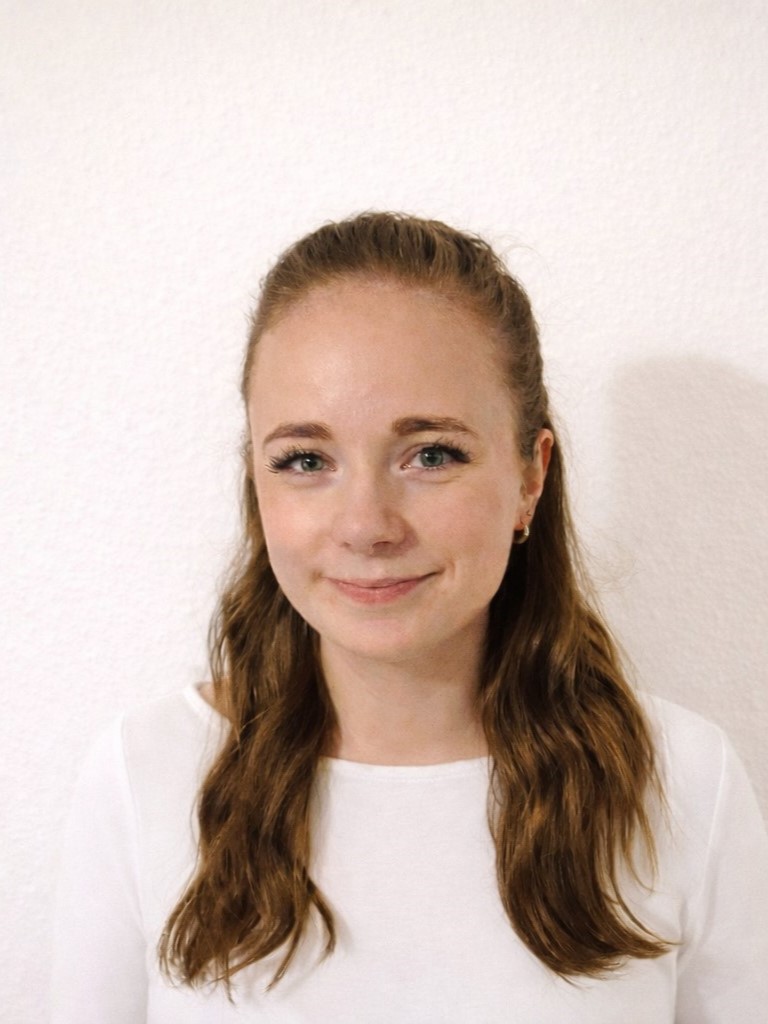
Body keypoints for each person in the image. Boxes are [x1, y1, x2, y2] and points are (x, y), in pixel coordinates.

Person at [51, 213, 768, 1023]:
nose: (367, 525)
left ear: (530, 477)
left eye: (432, 454)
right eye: (305, 460)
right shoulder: (144, 777)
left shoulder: (686, 784)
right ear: (256, 480)